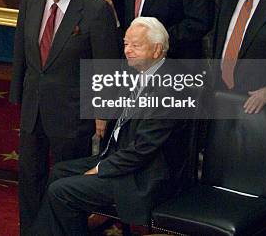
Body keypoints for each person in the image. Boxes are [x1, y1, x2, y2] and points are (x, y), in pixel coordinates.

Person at [32, 17, 191, 235]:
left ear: (157, 50)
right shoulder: (139, 72)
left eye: (136, 45)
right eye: (126, 44)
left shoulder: (171, 88)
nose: (127, 51)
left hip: (145, 176)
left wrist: (99, 169)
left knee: (62, 191)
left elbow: (142, 150)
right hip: (119, 158)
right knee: (59, 173)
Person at [10, 0, 122, 233]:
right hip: (34, 107)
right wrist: (17, 96)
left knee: (66, 185)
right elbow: (21, 50)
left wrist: (102, 114)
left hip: (73, 114)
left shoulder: (95, 9)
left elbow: (107, 66)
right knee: (30, 175)